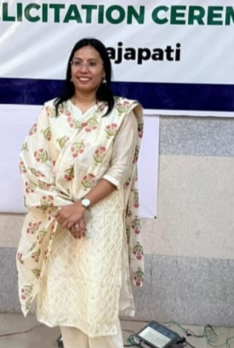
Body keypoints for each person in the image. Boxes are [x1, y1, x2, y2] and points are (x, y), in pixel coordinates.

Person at [16, 37, 144, 348]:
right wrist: (68, 209)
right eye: (77, 62)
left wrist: (82, 205)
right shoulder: (52, 112)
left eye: (92, 63)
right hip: (61, 215)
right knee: (68, 299)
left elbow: (119, 170)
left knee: (98, 301)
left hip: (101, 216)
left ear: (104, 71)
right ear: (70, 69)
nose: (83, 69)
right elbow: (34, 163)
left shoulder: (121, 114)